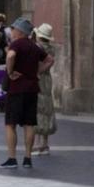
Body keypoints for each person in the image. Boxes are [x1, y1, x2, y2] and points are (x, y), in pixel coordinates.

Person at [0, 17, 54, 169]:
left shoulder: (16, 44)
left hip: (16, 89)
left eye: (13, 29)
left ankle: (12, 158)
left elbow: (10, 56)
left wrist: (10, 72)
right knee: (29, 124)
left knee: (10, 124)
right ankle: (27, 158)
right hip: (32, 89)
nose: (11, 31)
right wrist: (38, 71)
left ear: (19, 31)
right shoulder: (34, 46)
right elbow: (50, 60)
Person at [32, 24, 57, 155]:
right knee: (47, 109)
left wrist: (38, 71)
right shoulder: (51, 49)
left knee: (38, 109)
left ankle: (37, 143)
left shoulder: (38, 48)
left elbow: (40, 64)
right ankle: (45, 143)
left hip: (39, 79)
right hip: (47, 79)